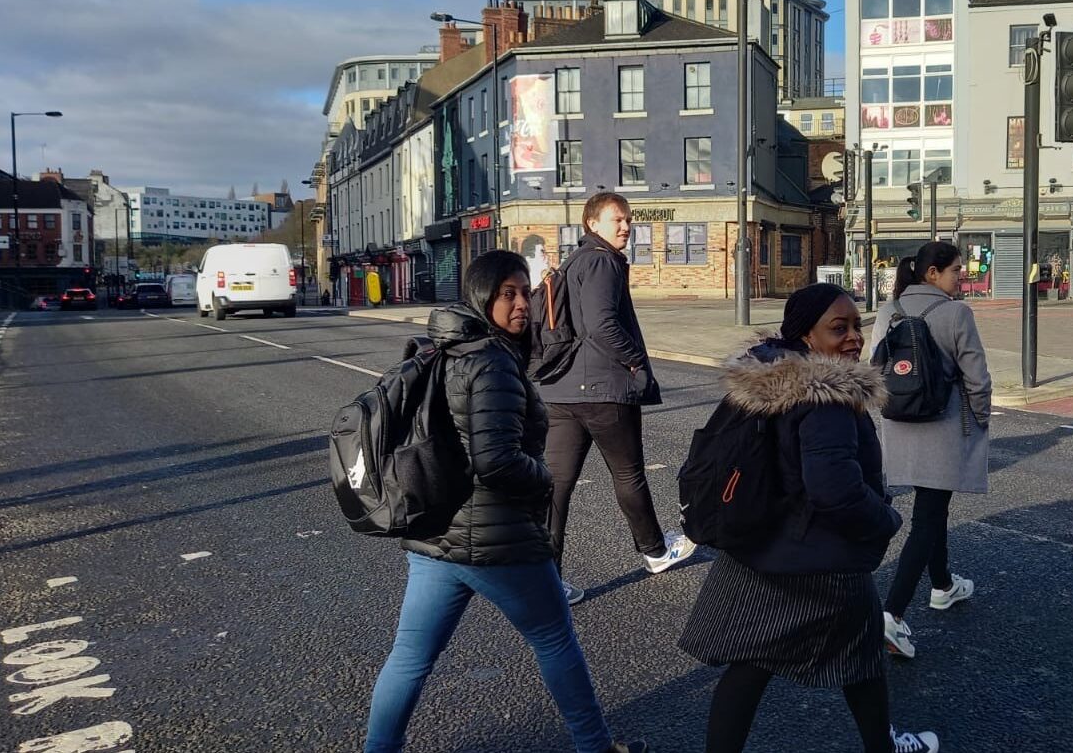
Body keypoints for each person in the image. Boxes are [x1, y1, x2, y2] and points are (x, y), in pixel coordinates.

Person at [364, 250, 648, 753]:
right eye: (508, 294)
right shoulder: (490, 361)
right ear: (482, 296)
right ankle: (595, 747)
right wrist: (545, 481)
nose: (522, 304)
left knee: (409, 658)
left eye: (526, 292)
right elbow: (495, 461)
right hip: (497, 539)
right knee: (555, 640)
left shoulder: (445, 349)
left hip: (434, 533)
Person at [679, 284, 941, 753]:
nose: (853, 338)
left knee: (761, 663)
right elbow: (834, 489)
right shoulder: (827, 396)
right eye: (837, 328)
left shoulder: (769, 377)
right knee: (854, 659)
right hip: (820, 556)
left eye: (856, 325)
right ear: (806, 335)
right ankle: (884, 746)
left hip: (764, 542)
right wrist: (885, 519)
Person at [541, 192, 695, 605]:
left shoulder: (574, 261)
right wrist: (634, 362)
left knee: (555, 487)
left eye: (628, 219)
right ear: (593, 224)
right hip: (604, 391)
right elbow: (601, 324)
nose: (625, 226)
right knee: (628, 475)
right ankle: (656, 552)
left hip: (562, 390)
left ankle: (546, 580)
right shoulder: (603, 260)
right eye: (617, 220)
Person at [869, 242, 991, 660]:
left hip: (900, 424)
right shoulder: (957, 314)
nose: (963, 277)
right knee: (928, 516)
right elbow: (977, 377)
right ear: (933, 273)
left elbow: (874, 367)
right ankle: (893, 614)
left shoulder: (889, 312)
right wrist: (980, 419)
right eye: (957, 270)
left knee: (932, 507)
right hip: (943, 426)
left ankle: (942, 586)